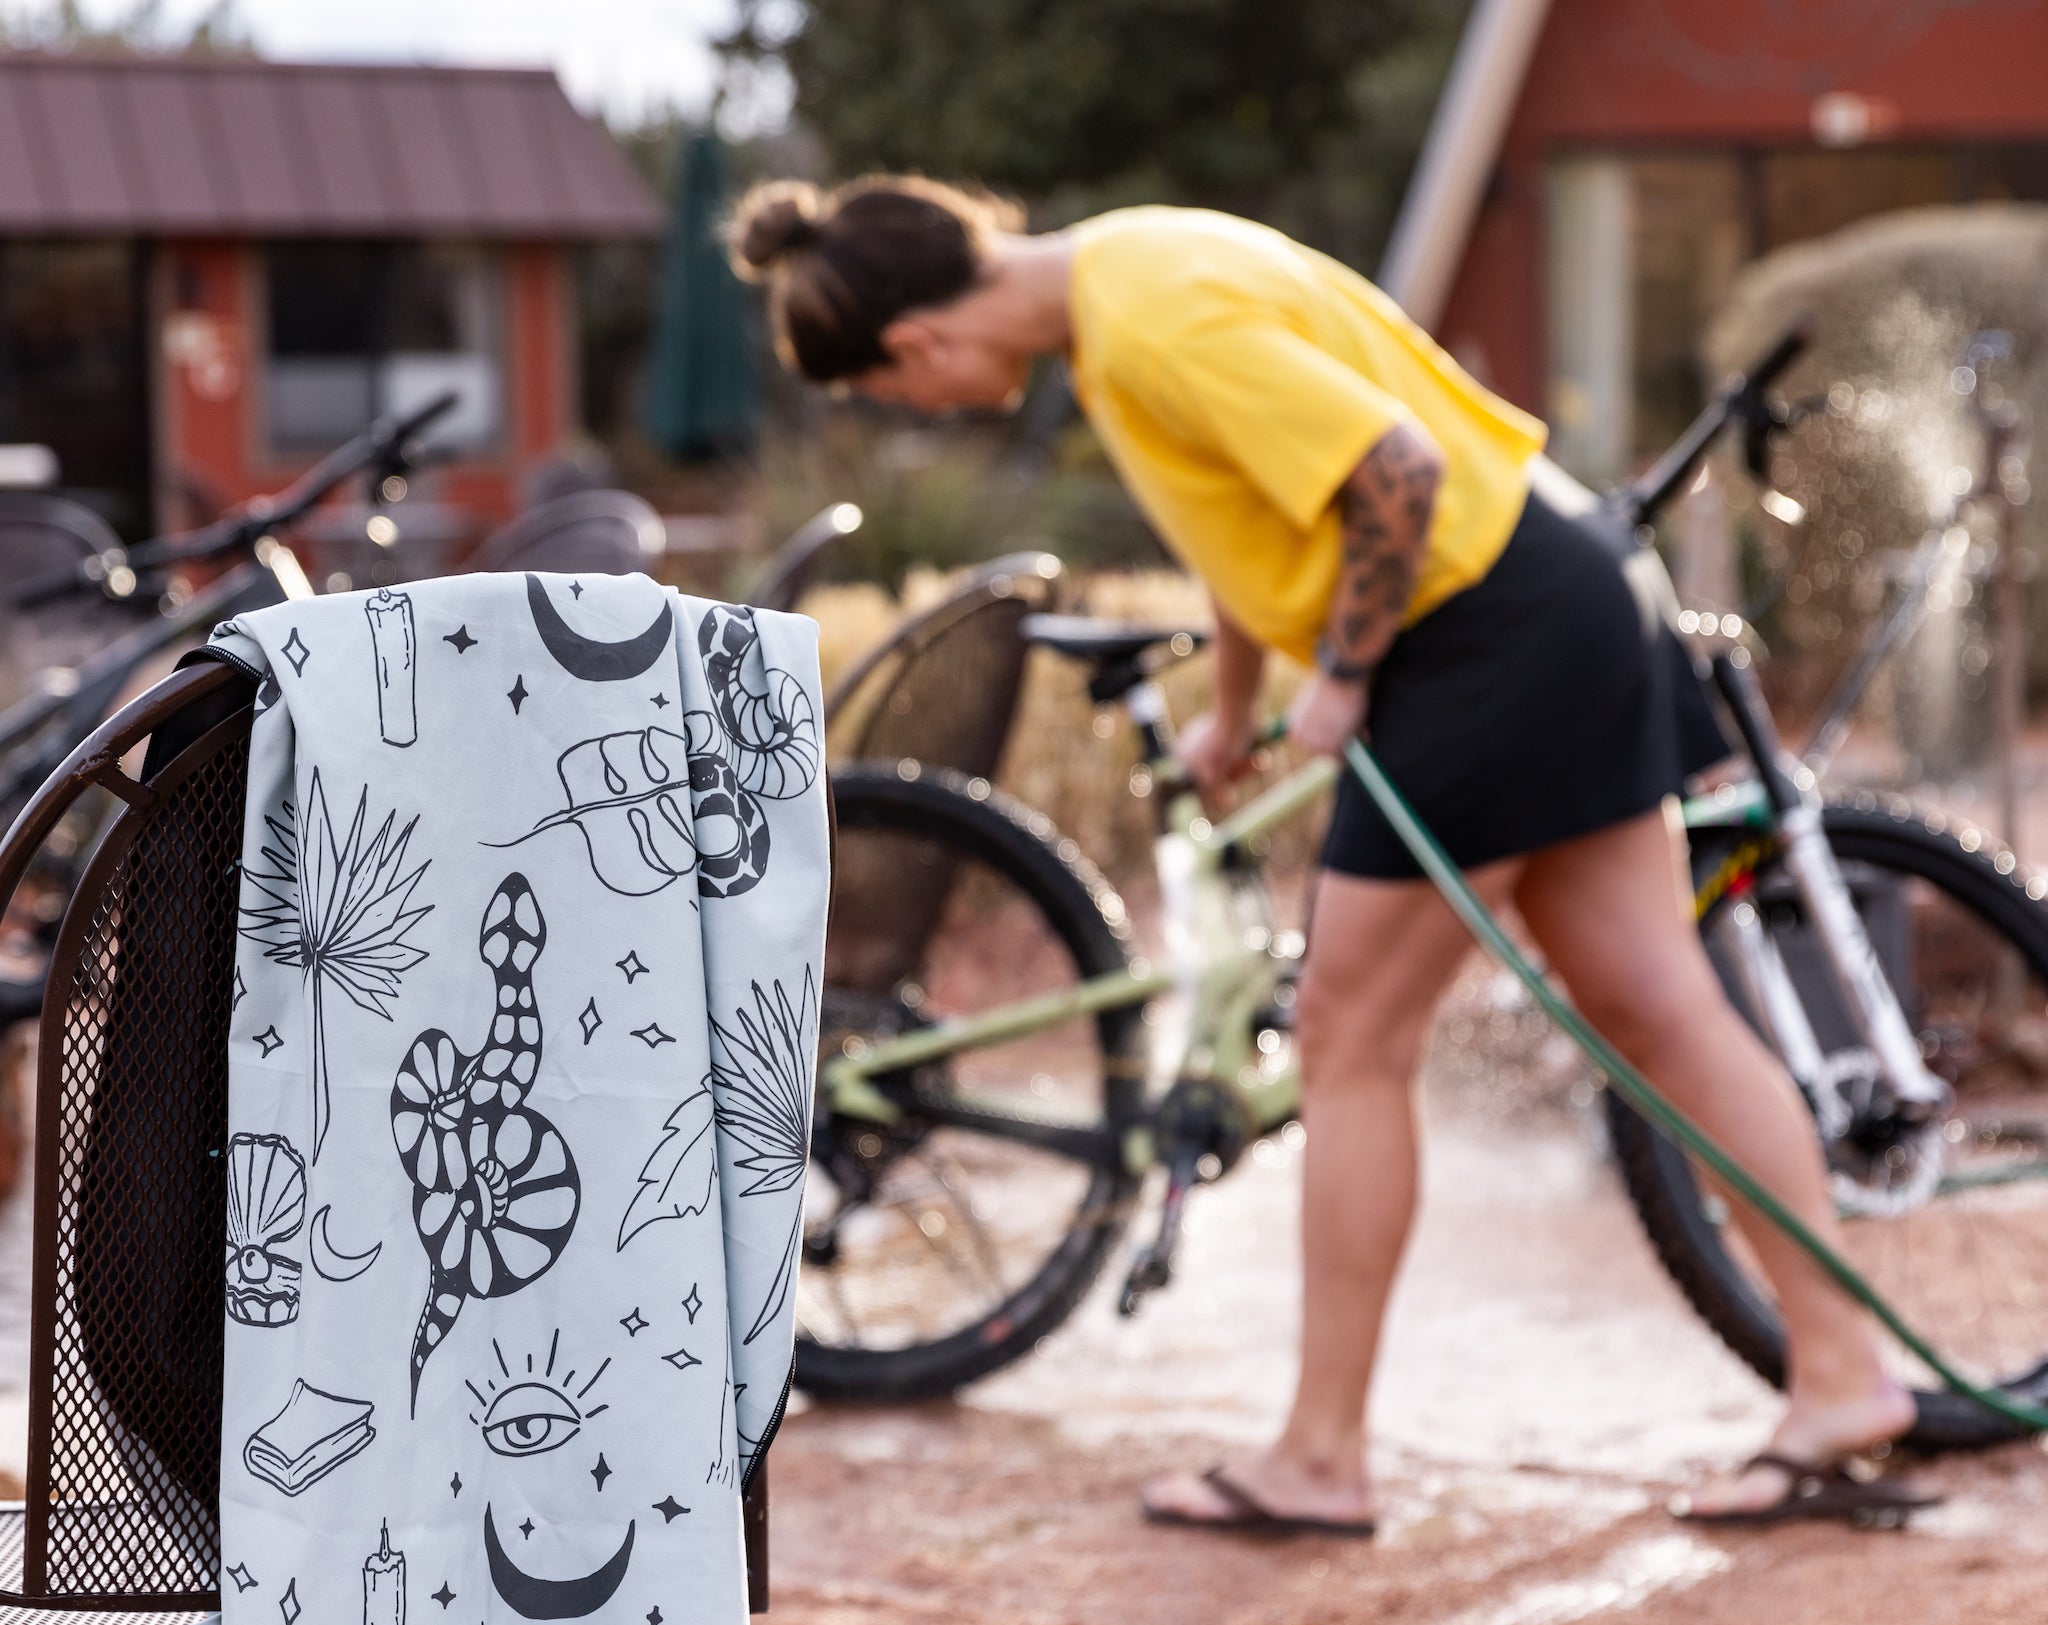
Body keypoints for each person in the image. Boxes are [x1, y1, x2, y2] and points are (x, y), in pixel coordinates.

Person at [727, 174, 1932, 1530]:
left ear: (916, 346)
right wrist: (1236, 715)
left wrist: (1347, 671)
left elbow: (1393, 475)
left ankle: (1320, 1456)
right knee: (1659, 1006)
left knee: (1351, 1039)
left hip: (1479, 635)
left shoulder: (1152, 325)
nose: (918, 413)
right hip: (1559, 591)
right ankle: (1844, 1375)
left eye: (895, 396)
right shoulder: (1131, 268)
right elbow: (1262, 517)